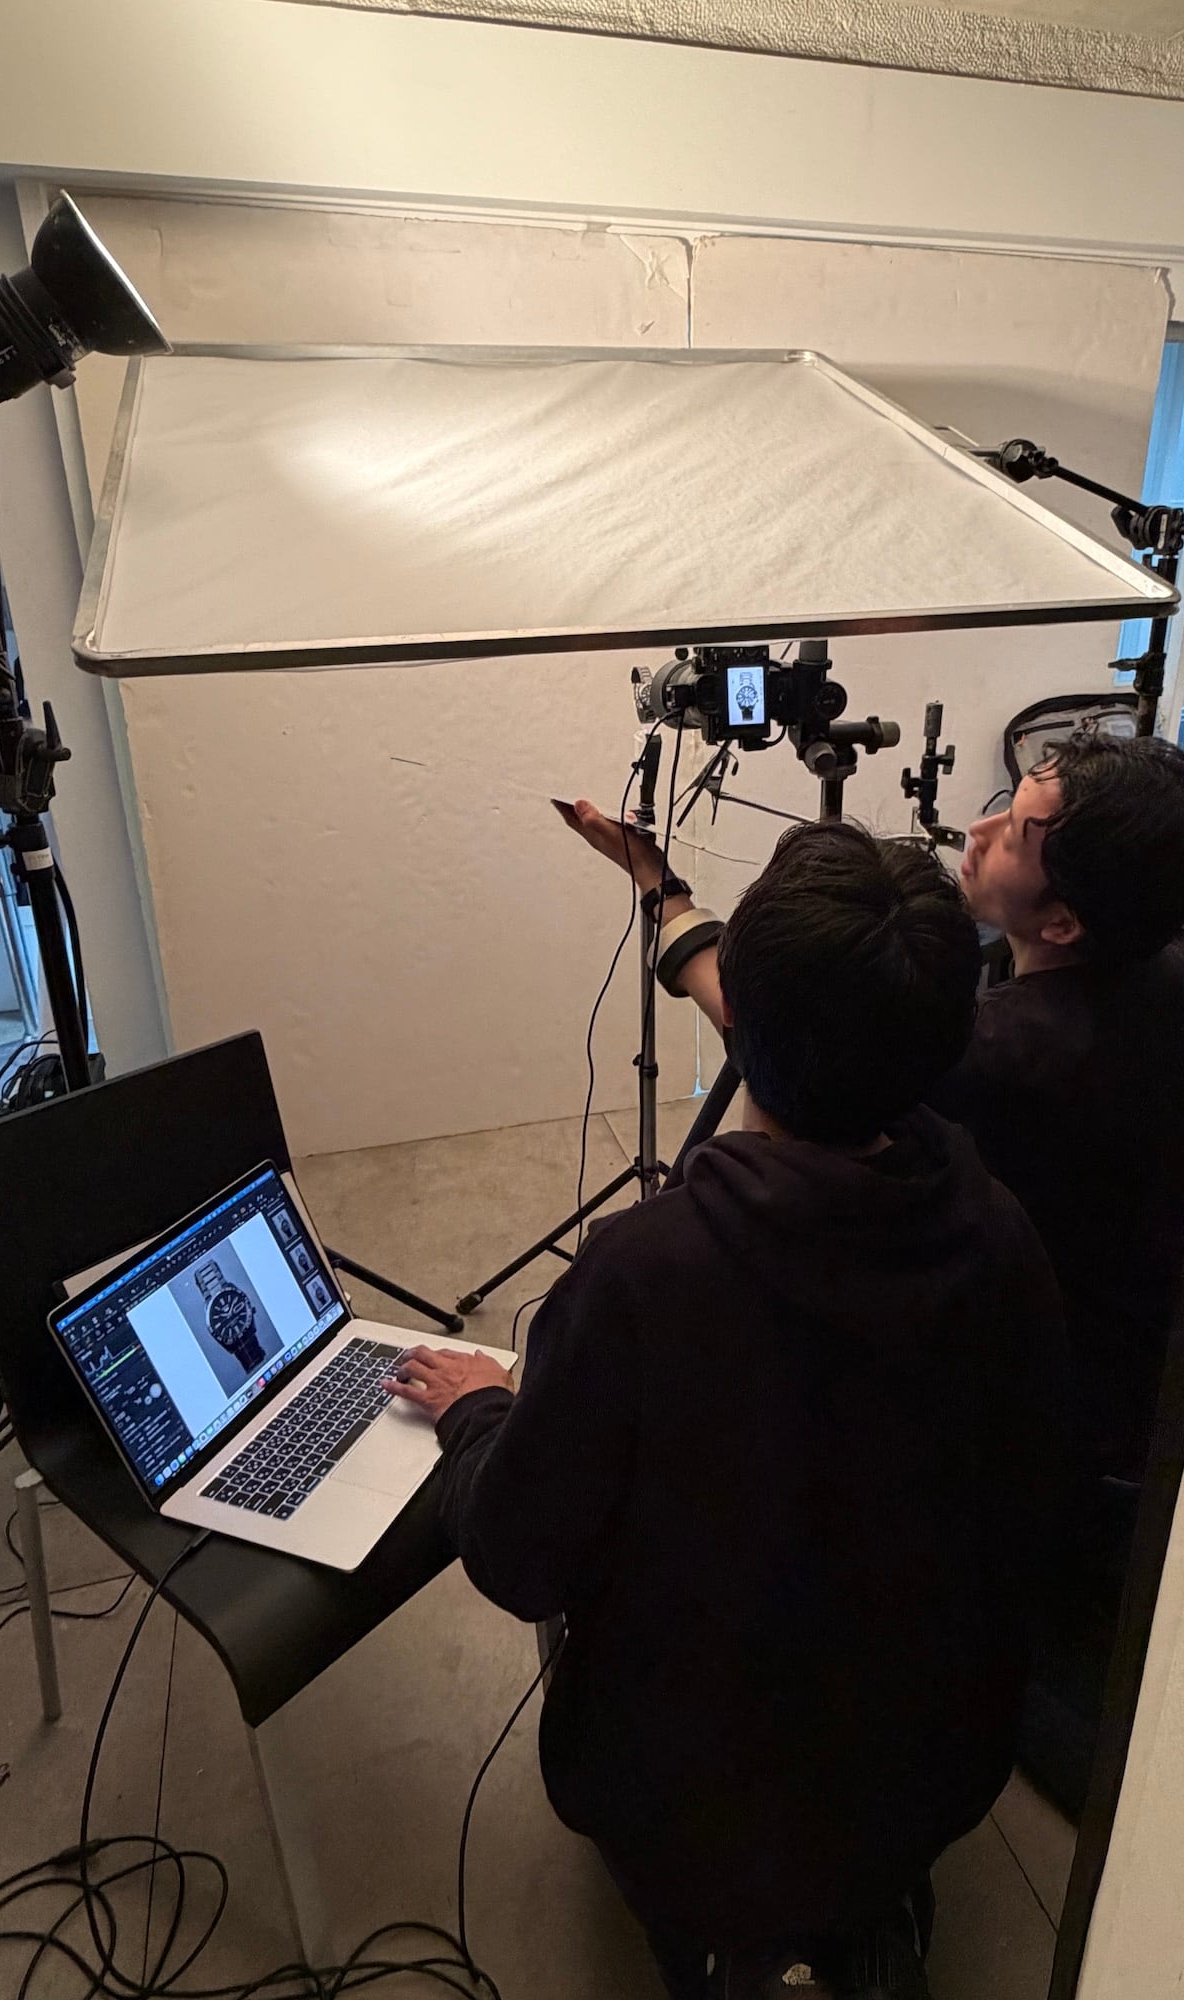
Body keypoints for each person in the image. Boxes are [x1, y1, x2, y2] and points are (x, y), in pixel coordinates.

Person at [385, 823, 1071, 2000]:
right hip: (931, 1764)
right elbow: (1035, 1505)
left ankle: (741, 1938)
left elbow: (518, 1558)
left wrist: (484, 1413)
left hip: (697, 1799)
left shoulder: (643, 1273)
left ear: (735, 1020)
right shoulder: (1001, 1234)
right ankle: (855, 1908)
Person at [566, 729, 1184, 1489]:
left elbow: (770, 1030)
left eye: (1013, 834)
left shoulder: (995, 1055)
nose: (977, 831)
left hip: (1047, 1420)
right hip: (1149, 1370)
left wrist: (659, 884)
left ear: (1064, 924)